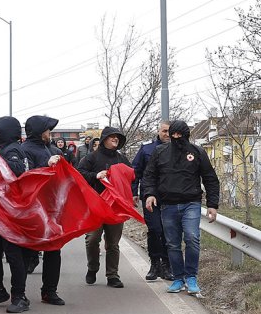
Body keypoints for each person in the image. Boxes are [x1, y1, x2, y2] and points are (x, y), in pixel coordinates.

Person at [142, 120, 220, 295]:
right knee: (172, 243)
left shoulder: (197, 152)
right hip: (167, 204)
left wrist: (212, 205)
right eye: (174, 135)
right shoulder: (160, 152)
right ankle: (178, 278)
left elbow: (210, 178)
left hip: (191, 203)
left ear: (186, 135)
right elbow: (149, 176)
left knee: (192, 238)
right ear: (170, 135)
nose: (177, 138)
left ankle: (191, 276)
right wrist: (150, 194)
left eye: (180, 135)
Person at [0, 116, 36, 314]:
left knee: (13, 254)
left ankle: (19, 296)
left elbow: (15, 172)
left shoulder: (12, 150)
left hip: (11, 212)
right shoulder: (7, 149)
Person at [77, 126, 132, 288]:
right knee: (92, 239)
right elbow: (79, 173)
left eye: (118, 137)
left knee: (113, 243)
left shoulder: (122, 159)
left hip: (116, 207)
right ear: (104, 139)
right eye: (112, 137)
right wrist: (95, 175)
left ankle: (112, 275)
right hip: (95, 205)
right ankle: (92, 267)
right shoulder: (91, 158)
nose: (115, 139)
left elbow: (132, 176)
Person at [21, 115, 66, 306]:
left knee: (54, 249)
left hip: (52, 207)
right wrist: (46, 166)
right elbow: (25, 178)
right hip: (31, 209)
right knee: (24, 251)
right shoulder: (23, 150)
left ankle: (49, 291)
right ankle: (19, 293)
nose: (50, 133)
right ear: (40, 131)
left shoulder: (53, 150)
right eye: (48, 130)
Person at [131, 121, 173, 281]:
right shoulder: (147, 148)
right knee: (155, 230)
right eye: (164, 131)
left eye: (169, 131)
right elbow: (136, 170)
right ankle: (155, 264)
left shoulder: (177, 149)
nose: (167, 134)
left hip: (170, 198)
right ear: (158, 131)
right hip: (149, 196)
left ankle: (167, 265)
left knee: (168, 232)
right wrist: (134, 192)